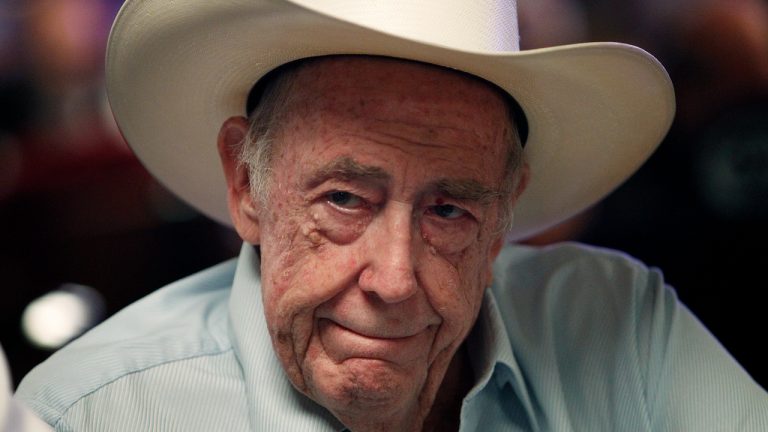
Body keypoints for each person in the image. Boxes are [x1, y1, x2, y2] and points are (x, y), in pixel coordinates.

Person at [15, 0, 768, 430]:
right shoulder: (91, 417)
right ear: (246, 185)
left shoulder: (621, 327)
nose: (397, 279)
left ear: (504, 216)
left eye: (449, 209)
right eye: (345, 199)